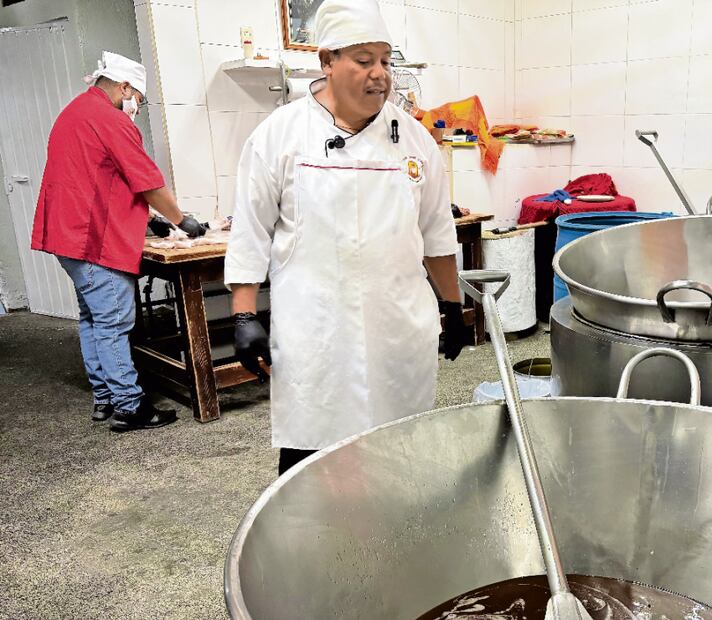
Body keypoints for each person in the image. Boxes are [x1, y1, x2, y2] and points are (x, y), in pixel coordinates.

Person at [225, 0, 468, 476]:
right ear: (327, 62)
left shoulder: (414, 140)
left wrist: (454, 305)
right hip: (316, 328)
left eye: (385, 60)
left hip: (397, 325)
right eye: (363, 61)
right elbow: (252, 229)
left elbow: (437, 232)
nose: (379, 75)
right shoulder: (280, 135)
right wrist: (244, 314)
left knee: (397, 450)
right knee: (310, 461)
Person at [31, 51, 207, 432]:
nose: (136, 107)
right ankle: (131, 406)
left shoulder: (75, 112)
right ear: (125, 87)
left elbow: (101, 181)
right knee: (113, 323)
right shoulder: (109, 119)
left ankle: (105, 397)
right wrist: (182, 221)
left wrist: (152, 223)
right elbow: (148, 181)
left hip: (68, 236)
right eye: (138, 99)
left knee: (94, 318)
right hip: (92, 240)